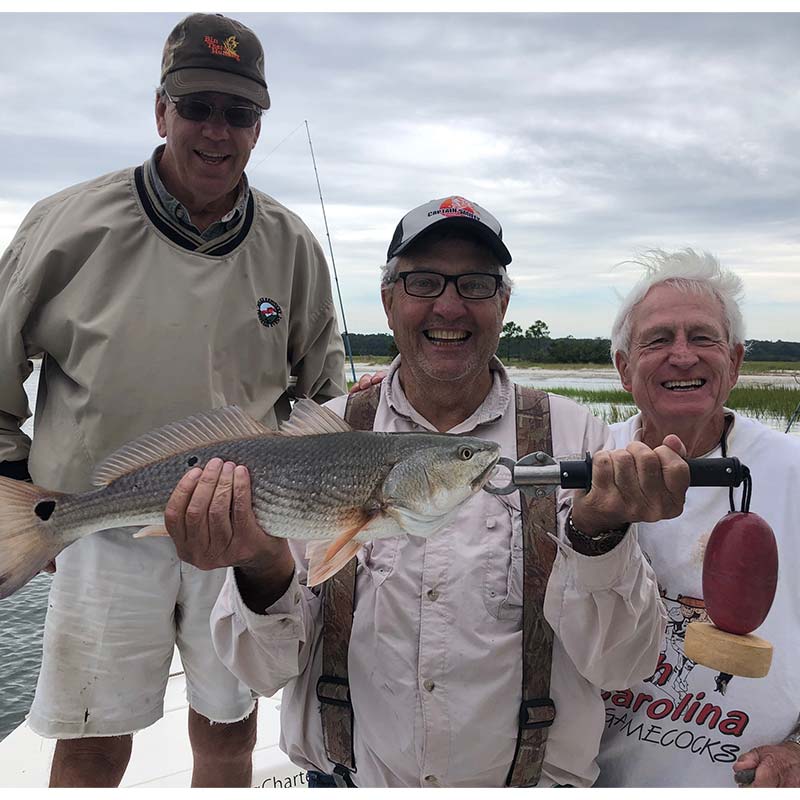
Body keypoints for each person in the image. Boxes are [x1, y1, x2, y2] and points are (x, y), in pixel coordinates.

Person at [163, 196, 695, 788]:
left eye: (475, 283)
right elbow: (262, 671)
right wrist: (260, 567)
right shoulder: (321, 437)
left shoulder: (578, 440)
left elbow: (622, 664)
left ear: (503, 303)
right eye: (422, 282)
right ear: (389, 301)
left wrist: (597, 537)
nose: (449, 305)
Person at [0, 12, 345, 788]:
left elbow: (319, 395)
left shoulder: (291, 246)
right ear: (161, 110)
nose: (217, 131)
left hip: (245, 527)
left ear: (259, 125)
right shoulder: (65, 225)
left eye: (239, 113)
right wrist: (33, 500)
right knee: (92, 739)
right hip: (101, 525)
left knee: (228, 722)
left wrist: (303, 515)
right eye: (198, 108)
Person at [595, 249, 800, 788]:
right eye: (658, 340)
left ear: (733, 363)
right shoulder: (585, 457)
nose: (682, 357)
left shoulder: (794, 470)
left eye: (703, 338)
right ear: (622, 368)